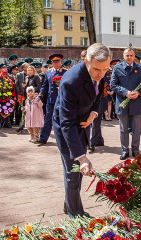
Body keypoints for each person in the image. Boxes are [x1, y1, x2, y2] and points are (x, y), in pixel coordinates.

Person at [52, 43, 110, 218]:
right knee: (73, 171)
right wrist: (82, 156)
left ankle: (69, 204)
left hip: (83, 122)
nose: (101, 75)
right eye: (97, 70)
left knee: (77, 171)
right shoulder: (71, 81)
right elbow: (66, 123)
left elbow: (100, 94)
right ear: (86, 60)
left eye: (105, 70)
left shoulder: (101, 71)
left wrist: (93, 112)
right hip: (66, 128)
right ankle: (76, 215)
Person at [110, 48, 141, 160]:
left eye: (131, 55)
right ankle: (125, 150)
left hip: (136, 102)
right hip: (122, 103)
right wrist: (125, 92)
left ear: (134, 56)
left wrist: (138, 92)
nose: (129, 57)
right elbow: (113, 85)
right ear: (123, 56)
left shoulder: (140, 68)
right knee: (123, 129)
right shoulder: (117, 67)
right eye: (127, 55)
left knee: (136, 128)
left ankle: (135, 150)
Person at [36, 53, 67, 145]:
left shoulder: (65, 71)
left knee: (62, 119)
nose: (56, 64)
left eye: (57, 62)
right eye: (54, 62)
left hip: (62, 100)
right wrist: (40, 95)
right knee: (48, 119)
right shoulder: (49, 72)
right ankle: (43, 138)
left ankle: (63, 139)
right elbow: (45, 85)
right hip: (51, 99)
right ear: (51, 63)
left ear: (61, 62)